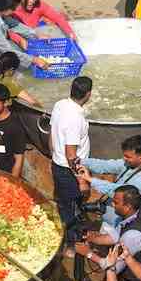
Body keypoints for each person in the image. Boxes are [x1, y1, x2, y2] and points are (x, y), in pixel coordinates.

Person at [76, 185, 141, 281]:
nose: (112, 205)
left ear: (127, 206)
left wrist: (89, 254)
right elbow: (116, 235)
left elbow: (113, 267)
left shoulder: (132, 236)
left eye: (116, 203)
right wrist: (94, 238)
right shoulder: (139, 213)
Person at [50, 76, 92, 255]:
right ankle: (71, 245)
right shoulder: (75, 118)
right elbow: (71, 154)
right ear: (88, 94)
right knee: (72, 210)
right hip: (70, 172)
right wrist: (81, 180)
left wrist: (52, 154)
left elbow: (51, 135)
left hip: (58, 165)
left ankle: (63, 238)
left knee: (63, 204)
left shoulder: (60, 105)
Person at [77, 135, 141, 228]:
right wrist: (81, 161)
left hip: (128, 223)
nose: (124, 158)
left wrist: (90, 180)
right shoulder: (129, 165)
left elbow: (118, 192)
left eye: (128, 156)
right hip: (115, 213)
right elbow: (105, 165)